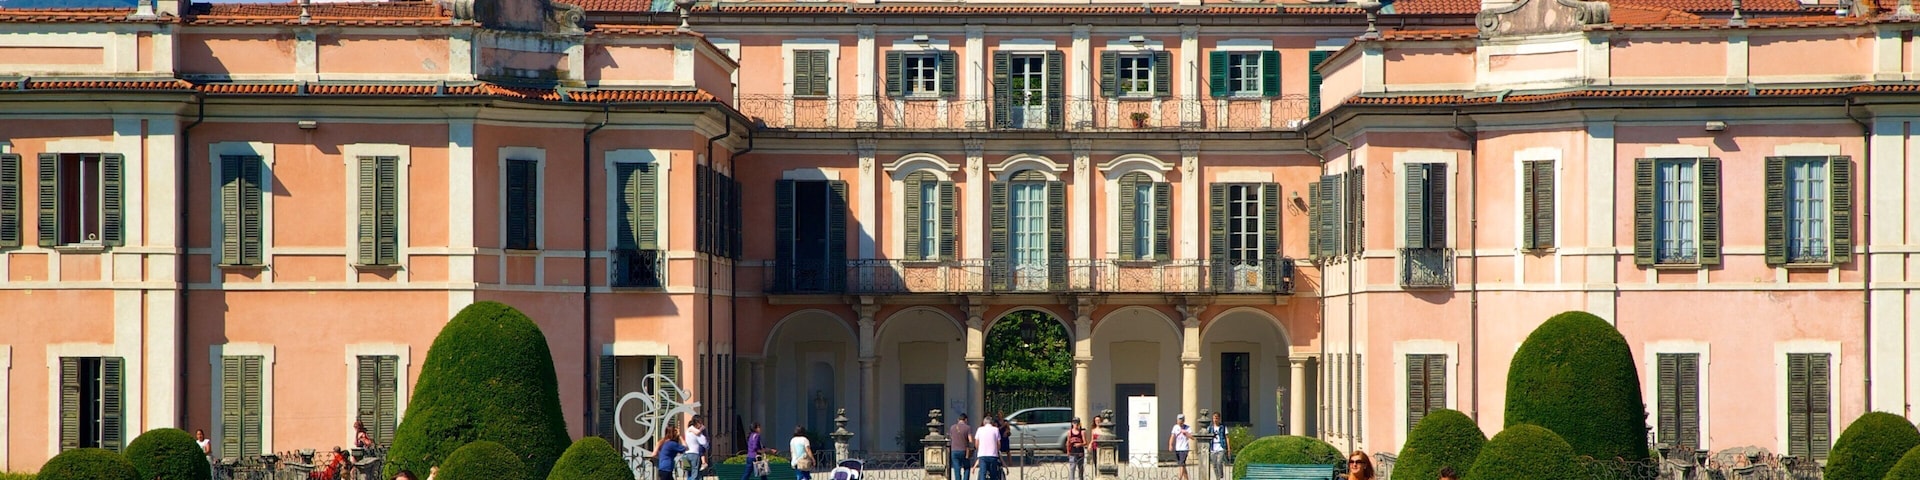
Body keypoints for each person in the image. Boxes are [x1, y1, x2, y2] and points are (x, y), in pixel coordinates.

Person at [973, 416, 1003, 480]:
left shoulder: (979, 429)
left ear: (984, 422)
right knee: (993, 474)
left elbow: (976, 443)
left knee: (982, 473)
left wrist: (979, 450)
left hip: (982, 455)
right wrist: (996, 450)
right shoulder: (996, 429)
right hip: (993, 455)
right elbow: (998, 443)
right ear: (992, 423)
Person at [948, 413, 974, 480]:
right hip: (964, 450)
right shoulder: (968, 427)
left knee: (957, 469)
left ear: (958, 420)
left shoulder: (952, 427)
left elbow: (951, 437)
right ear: (966, 420)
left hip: (954, 450)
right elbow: (970, 440)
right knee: (967, 467)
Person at [1168, 414, 1192, 480]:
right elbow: (1172, 436)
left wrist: (1186, 433)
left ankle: (1180, 478)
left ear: (1183, 421)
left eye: (1181, 420)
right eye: (1179, 420)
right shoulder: (1175, 427)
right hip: (1178, 448)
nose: (1180, 422)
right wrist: (1170, 445)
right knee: (1182, 465)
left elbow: (1192, 437)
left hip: (1184, 448)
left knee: (1181, 464)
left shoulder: (1187, 427)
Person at [1207, 412, 1230, 480]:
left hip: (1221, 447)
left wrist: (1228, 448)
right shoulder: (1210, 428)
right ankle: (1218, 477)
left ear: (1219, 419)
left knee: (1219, 462)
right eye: (1214, 418)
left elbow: (1227, 437)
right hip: (1213, 447)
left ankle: (1220, 474)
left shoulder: (1223, 427)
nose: (1215, 420)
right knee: (1214, 464)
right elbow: (1207, 436)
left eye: (1216, 418)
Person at [688, 415, 709, 480]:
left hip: (696, 452)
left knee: (695, 472)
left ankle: (703, 463)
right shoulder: (692, 429)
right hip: (693, 453)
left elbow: (703, 438)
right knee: (694, 472)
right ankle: (703, 462)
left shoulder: (701, 429)